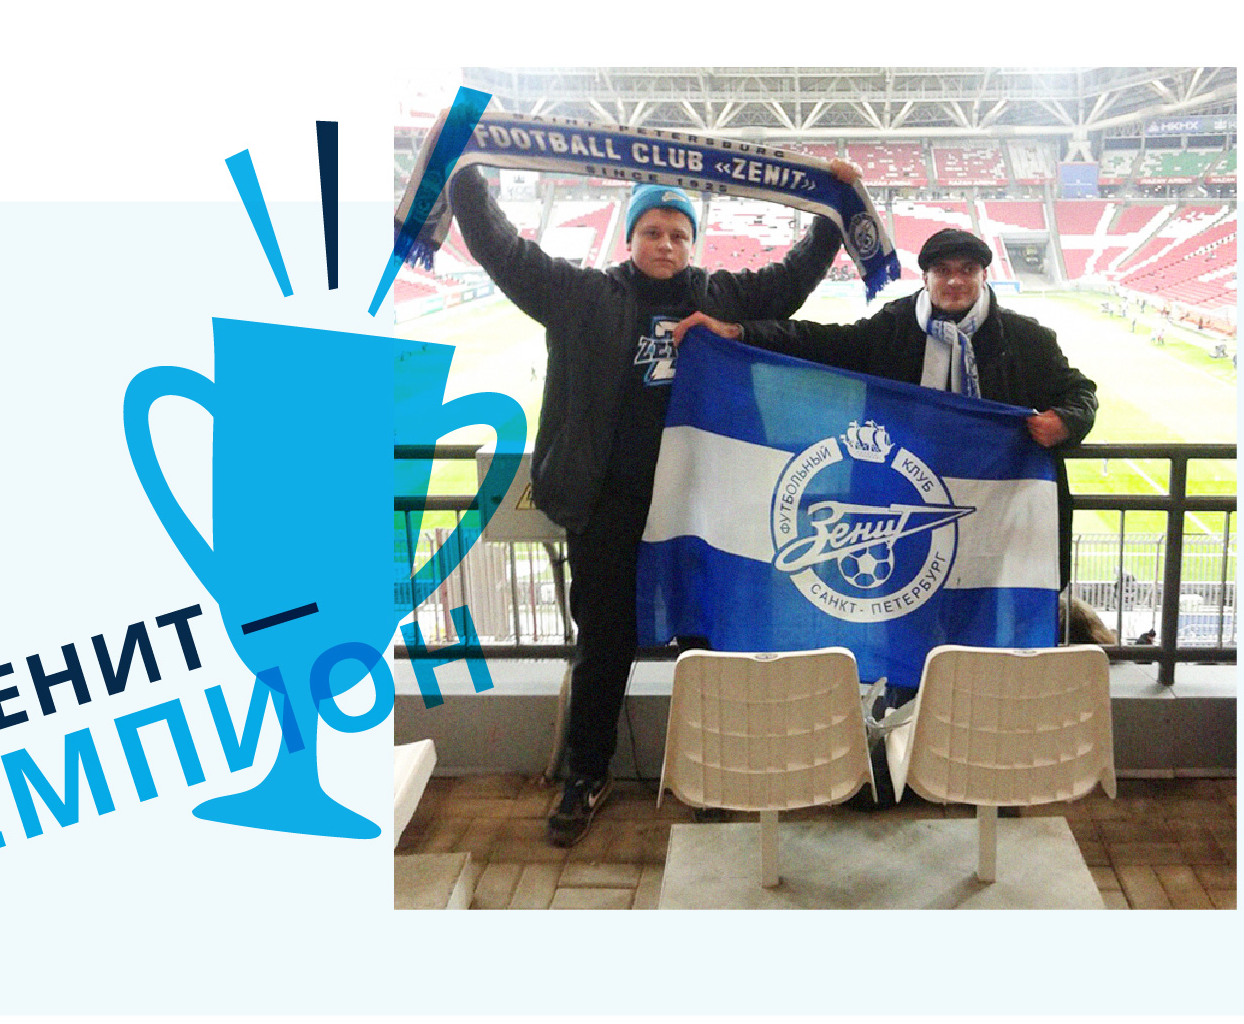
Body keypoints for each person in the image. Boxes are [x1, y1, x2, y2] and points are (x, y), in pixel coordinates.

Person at [447, 161, 858, 846]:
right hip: (609, 507)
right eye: (652, 232)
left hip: (699, 511)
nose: (665, 244)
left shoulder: (722, 296)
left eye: (678, 234)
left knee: (706, 642)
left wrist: (833, 209)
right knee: (603, 644)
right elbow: (507, 254)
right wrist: (463, 179)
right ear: (630, 237)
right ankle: (587, 774)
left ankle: (710, 771)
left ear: (693, 243)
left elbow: (792, 280)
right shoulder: (583, 296)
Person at [673, 227, 1097, 595]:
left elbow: (1079, 393)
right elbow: (822, 343)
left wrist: (1066, 422)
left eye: (967, 270)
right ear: (925, 277)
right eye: (942, 270)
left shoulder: (1025, 339)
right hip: (911, 507)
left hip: (998, 514)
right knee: (914, 607)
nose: (955, 280)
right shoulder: (896, 326)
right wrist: (739, 333)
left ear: (984, 275)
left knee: (989, 618)